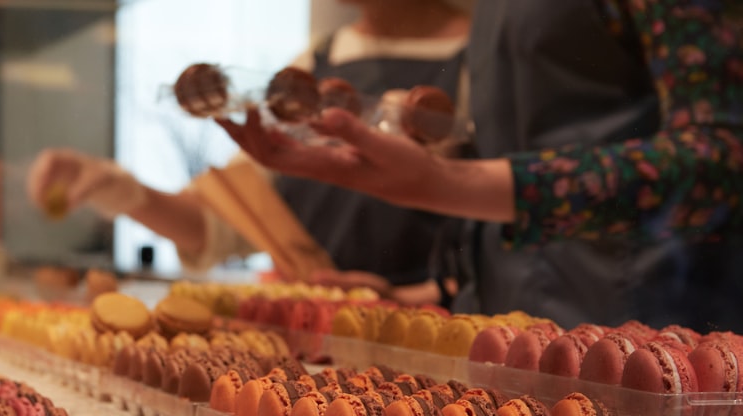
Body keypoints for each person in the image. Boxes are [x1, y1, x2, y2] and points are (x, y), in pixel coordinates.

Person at [217, 0, 743, 333]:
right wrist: (425, 296)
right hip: (510, 345)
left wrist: (450, 183)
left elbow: (720, 159)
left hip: (663, 349)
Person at [28, 0, 471, 307]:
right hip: (321, 338)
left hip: (436, 342)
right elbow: (224, 221)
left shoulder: (481, 64)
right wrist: (119, 190)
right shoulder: (312, 66)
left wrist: (407, 298)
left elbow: (513, 234)